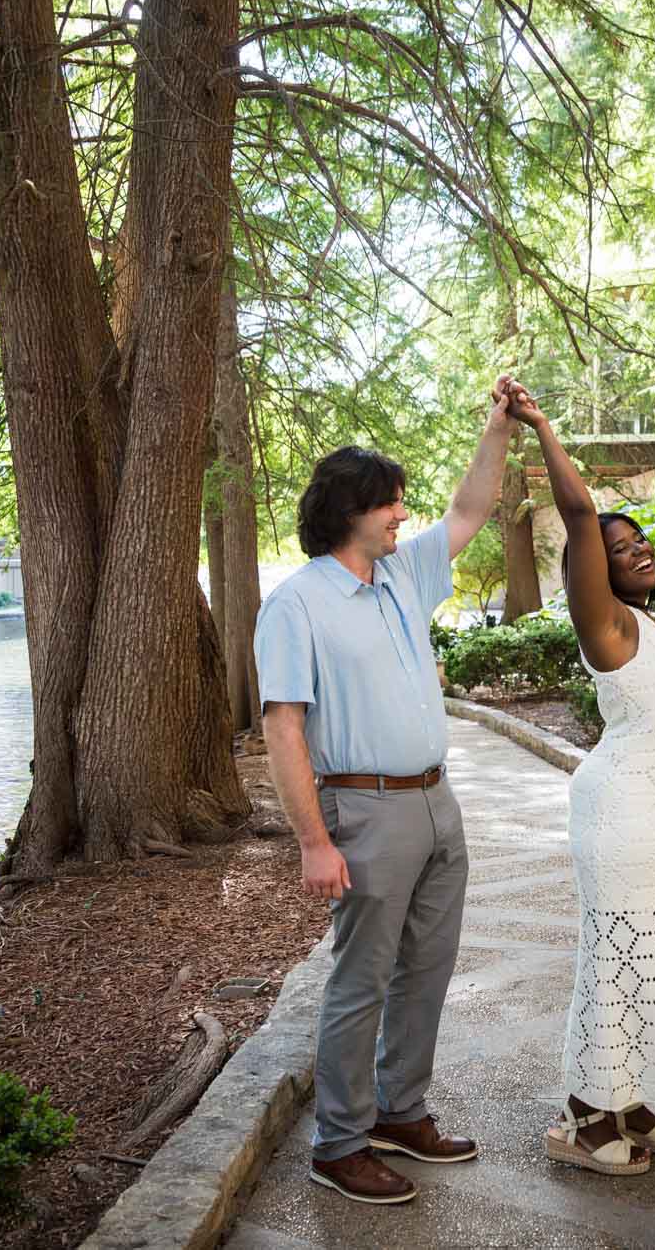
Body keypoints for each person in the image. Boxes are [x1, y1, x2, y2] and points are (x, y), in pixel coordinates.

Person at [254, 376, 519, 1206]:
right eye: (390, 505)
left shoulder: (403, 575)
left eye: (404, 504)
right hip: (363, 810)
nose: (404, 516)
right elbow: (284, 728)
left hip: (439, 802)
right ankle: (338, 1142)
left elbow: (470, 509)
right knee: (360, 978)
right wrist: (312, 841)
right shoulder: (296, 604)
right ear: (349, 511)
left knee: (427, 969)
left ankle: (400, 1112)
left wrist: (498, 427)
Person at [508, 380, 655, 1178]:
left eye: (640, 541)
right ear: (589, 568)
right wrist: (540, 426)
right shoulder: (606, 624)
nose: (635, 548)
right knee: (619, 954)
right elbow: (576, 516)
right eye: (615, 545)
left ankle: (629, 1100)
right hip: (625, 813)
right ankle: (580, 1113)